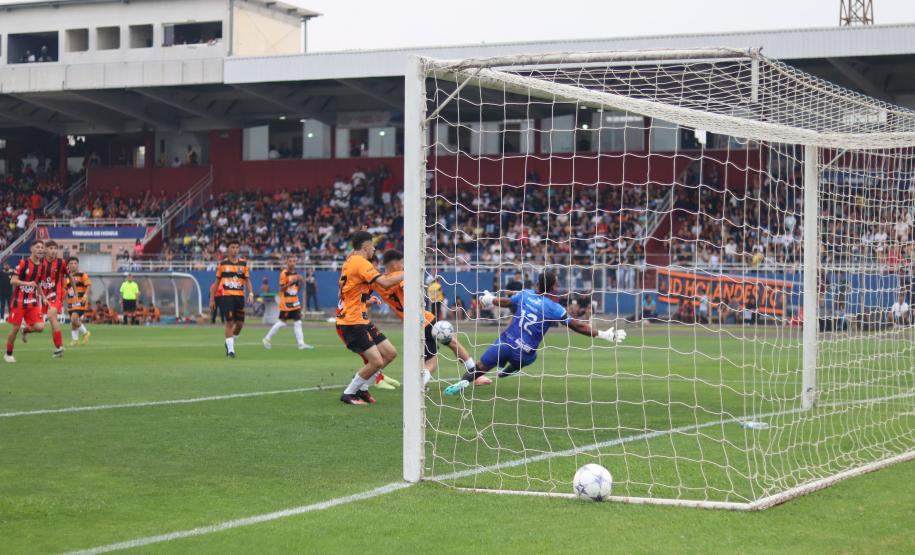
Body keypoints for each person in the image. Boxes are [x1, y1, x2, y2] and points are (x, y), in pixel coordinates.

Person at [443, 272, 626, 396]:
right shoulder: (554, 308)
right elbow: (577, 326)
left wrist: (490, 299)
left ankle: (461, 384)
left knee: (480, 367)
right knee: (532, 356)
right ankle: (510, 370)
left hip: (505, 343)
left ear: (537, 284)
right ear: (553, 287)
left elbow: (507, 302)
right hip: (524, 353)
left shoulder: (525, 294)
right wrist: (603, 334)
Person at [370, 250, 489, 389]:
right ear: (395, 264)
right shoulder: (399, 277)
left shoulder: (381, 283)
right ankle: (422, 385)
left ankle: (474, 375)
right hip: (424, 320)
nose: (403, 266)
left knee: (440, 350)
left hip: (411, 324)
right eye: (402, 263)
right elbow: (406, 287)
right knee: (438, 356)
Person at [336, 231, 404, 405]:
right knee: (376, 361)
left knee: (390, 353)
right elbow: (385, 283)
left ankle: (363, 388)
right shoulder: (360, 262)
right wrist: (410, 272)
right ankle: (349, 393)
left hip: (361, 319)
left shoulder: (350, 260)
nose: (374, 249)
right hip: (352, 321)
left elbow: (344, 292)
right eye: (372, 246)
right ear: (365, 247)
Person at [209, 239, 254, 358]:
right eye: (232, 247)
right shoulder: (223, 264)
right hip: (227, 297)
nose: (235, 250)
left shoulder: (243, 264)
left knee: (240, 324)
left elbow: (247, 280)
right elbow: (216, 283)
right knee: (229, 322)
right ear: (228, 249)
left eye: (237, 247)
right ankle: (231, 351)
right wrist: (212, 299)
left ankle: (229, 342)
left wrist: (251, 293)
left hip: (240, 297)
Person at [6, 241, 48, 363]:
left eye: (42, 247)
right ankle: (8, 354)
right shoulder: (23, 263)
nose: (40, 249)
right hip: (19, 301)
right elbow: (13, 281)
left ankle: (25, 330)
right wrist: (27, 283)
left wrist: (43, 297)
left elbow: (37, 283)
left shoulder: (42, 266)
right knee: (15, 328)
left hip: (33, 302)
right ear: (31, 249)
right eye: (37, 247)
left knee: (40, 327)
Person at [263, 254, 314, 350]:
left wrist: (301, 282)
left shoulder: (296, 274)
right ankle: (267, 338)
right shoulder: (284, 273)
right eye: (290, 261)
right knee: (282, 323)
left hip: (295, 301)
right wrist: (291, 282)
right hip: (286, 302)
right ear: (287, 262)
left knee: (298, 322)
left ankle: (301, 344)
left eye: (294, 261)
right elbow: (281, 288)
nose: (292, 263)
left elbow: (296, 289)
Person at [40, 240, 68, 358]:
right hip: (44, 296)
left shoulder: (61, 262)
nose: (54, 251)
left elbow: (69, 275)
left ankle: (59, 346)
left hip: (57, 294)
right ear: (46, 250)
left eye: (55, 248)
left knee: (51, 316)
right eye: (51, 248)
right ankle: (57, 347)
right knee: (50, 321)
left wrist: (72, 290)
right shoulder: (40, 263)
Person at [65, 257, 92, 345]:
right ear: (68, 265)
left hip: (80, 301)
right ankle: (75, 340)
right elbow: (65, 289)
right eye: (71, 263)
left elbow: (88, 285)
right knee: (73, 322)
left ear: (78, 265)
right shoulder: (67, 277)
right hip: (71, 302)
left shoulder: (82, 274)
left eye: (75, 263)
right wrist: (65, 300)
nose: (73, 265)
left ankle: (85, 333)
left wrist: (85, 295)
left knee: (74, 319)